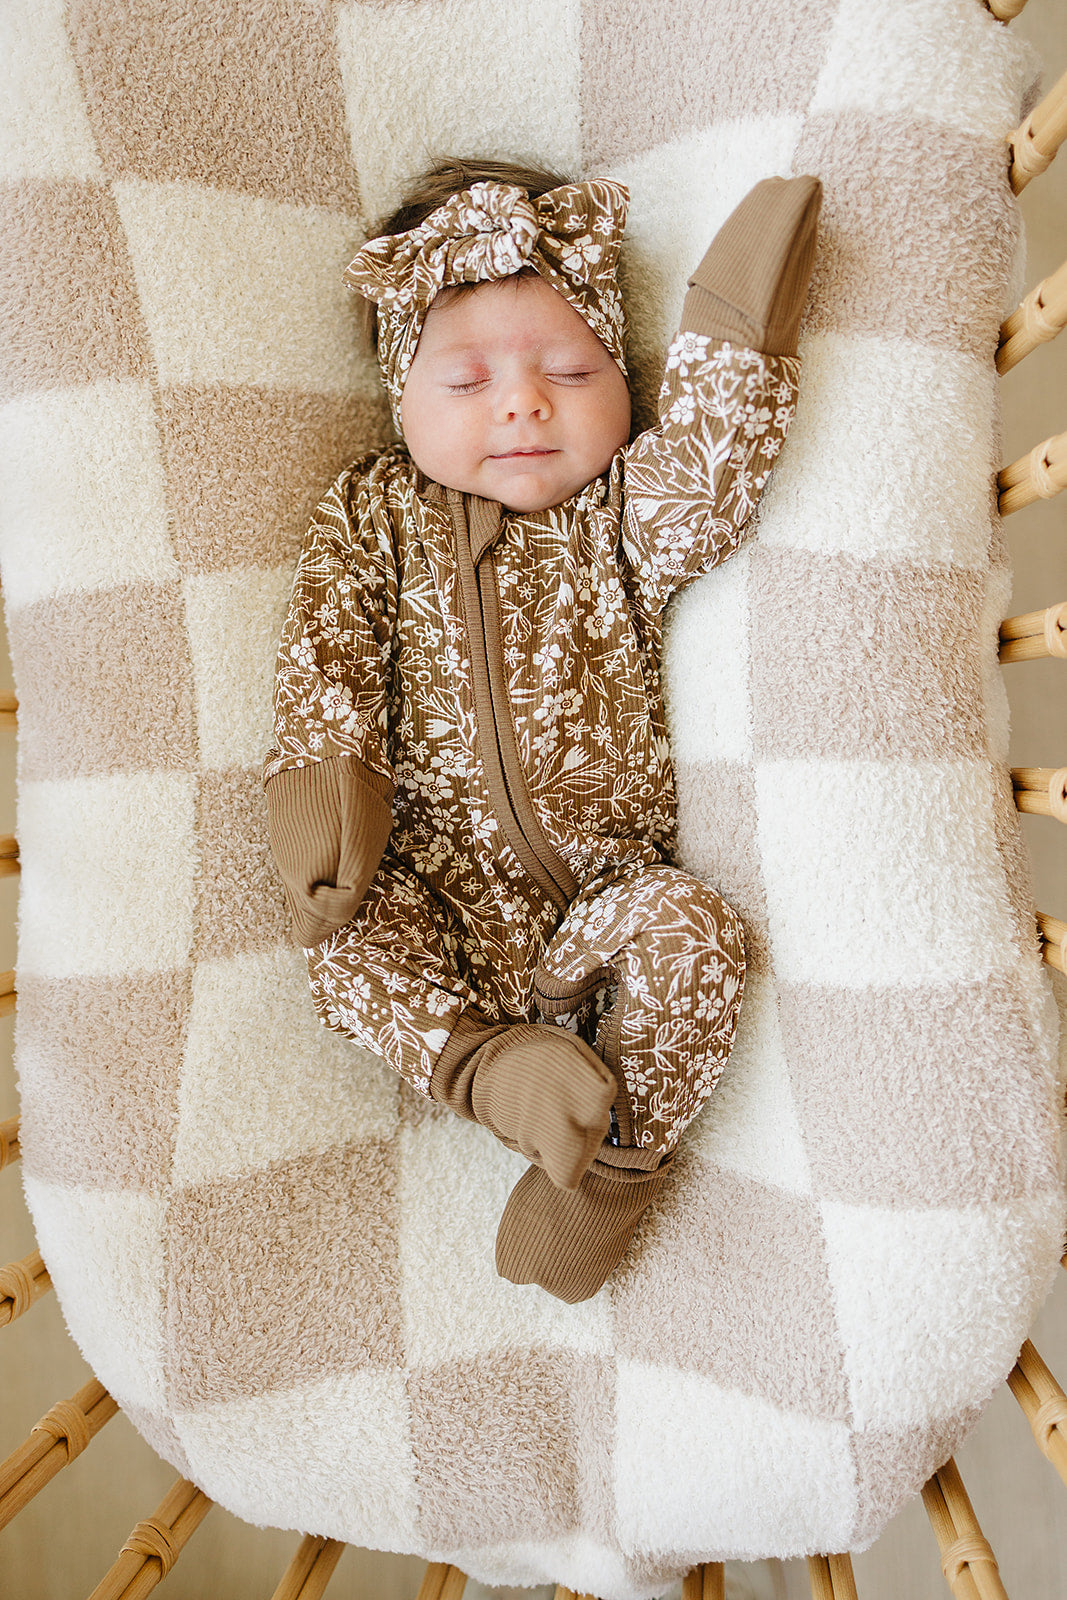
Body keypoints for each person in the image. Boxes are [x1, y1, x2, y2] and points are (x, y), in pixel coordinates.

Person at [264, 157, 821, 1302]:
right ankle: (485, 1067)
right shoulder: (374, 513)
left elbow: (707, 486)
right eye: (467, 380)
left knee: (697, 939)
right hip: (434, 906)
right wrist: (328, 790)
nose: (522, 401)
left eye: (567, 370)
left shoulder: (616, 519)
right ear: (399, 393)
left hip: (599, 914)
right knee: (347, 948)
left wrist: (735, 331)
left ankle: (604, 1179)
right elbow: (327, 642)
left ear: (621, 379)